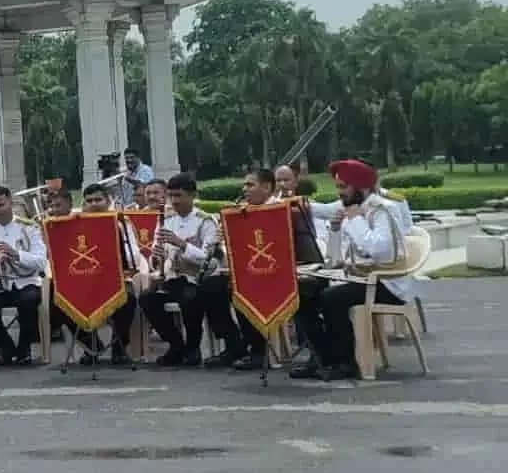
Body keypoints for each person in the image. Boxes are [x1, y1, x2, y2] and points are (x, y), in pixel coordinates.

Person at [291, 159, 414, 380]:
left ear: (361, 187)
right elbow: (337, 258)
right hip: (361, 279)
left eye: (343, 187)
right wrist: (336, 229)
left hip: (387, 282)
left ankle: (345, 363)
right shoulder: (351, 210)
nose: (340, 193)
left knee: (331, 299)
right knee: (301, 295)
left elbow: (379, 250)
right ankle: (322, 357)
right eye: (338, 187)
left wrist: (355, 220)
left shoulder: (383, 210)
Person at [45, 185, 142, 365]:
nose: (94, 204)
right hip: (81, 280)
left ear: (108, 201)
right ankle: (91, 343)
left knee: (127, 301)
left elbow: (133, 256)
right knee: (58, 303)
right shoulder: (74, 221)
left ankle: (119, 347)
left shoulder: (120, 222)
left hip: (114, 280)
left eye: (98, 200)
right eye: (89, 201)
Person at [199, 169, 282, 370]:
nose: (244, 189)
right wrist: (220, 248)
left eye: (250, 185)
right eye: (244, 185)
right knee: (208, 286)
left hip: (273, 272)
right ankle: (233, 343)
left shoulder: (279, 210)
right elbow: (235, 253)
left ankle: (258, 349)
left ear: (267, 187)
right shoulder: (241, 213)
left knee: (236, 289)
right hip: (245, 272)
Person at [138, 173, 219, 367]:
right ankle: (176, 345)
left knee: (189, 298)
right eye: (171, 196)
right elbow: (157, 260)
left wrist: (182, 245)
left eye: (179, 196)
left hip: (196, 280)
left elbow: (209, 259)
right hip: (171, 279)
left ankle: (193, 348)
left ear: (192, 195)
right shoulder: (166, 220)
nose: (174, 201)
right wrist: (156, 257)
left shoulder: (205, 221)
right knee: (147, 300)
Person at [0, 186, 47, 366]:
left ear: (10, 203)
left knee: (29, 301)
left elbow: (40, 262)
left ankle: (24, 348)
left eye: (1, 204)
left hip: (25, 281)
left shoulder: (29, 227)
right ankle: (5, 344)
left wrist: (15, 253)